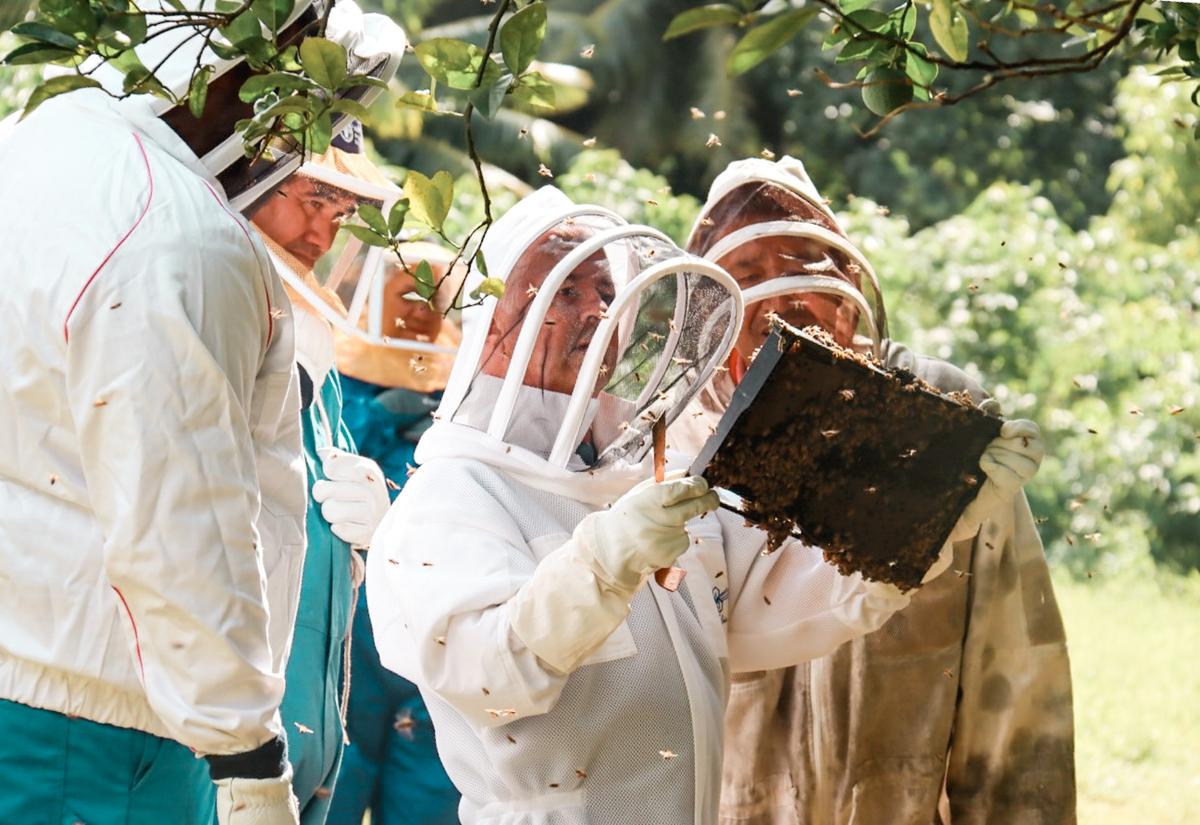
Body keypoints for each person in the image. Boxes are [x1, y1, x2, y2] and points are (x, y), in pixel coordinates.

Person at [363, 187, 954, 824]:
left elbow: (779, 604)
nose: (595, 310)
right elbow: (491, 679)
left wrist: (930, 509)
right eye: (565, 290)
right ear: (493, 322)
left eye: (608, 292)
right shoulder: (453, 498)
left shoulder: (642, 477)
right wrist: (599, 564)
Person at [0, 3, 402, 823]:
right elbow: (179, 524)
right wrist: (248, 756)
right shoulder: (177, 233)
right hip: (107, 738)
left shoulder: (44, 138)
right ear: (257, 61)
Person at [680, 156, 1074, 825]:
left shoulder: (939, 415)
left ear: (849, 283)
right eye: (747, 276)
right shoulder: (672, 443)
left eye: (804, 262)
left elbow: (1014, 671)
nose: (782, 298)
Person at [248, 110, 410, 823]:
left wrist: (378, 538)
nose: (325, 233)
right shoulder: (215, 330)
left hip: (306, 758)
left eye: (341, 211)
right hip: (226, 756)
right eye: (314, 200)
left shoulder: (323, 368)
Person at [326, 243, 464, 825]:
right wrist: (380, 415)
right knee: (339, 777)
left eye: (433, 298)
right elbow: (320, 462)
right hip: (353, 620)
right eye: (405, 293)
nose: (419, 310)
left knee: (428, 786)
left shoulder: (464, 386)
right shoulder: (338, 372)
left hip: (431, 613)